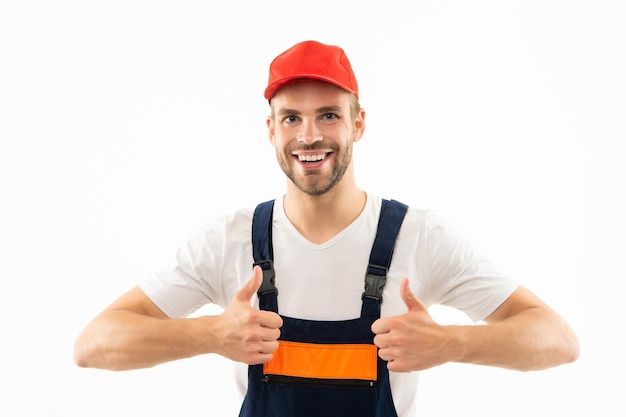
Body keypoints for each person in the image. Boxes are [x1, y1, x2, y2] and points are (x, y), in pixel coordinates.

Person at [74, 40, 579, 416]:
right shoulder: (228, 240)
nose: (309, 135)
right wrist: (208, 334)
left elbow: (557, 339)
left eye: (328, 115)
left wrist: (453, 344)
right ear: (271, 129)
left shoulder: (418, 236)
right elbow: (94, 344)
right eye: (291, 118)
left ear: (358, 124)